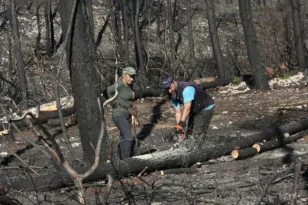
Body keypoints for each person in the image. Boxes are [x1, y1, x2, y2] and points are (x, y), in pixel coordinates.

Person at [162, 76, 215, 144]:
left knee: (198, 134)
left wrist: (181, 124)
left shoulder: (186, 89)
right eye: (167, 89)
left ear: (174, 82)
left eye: (170, 87)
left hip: (206, 107)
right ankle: (188, 147)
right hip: (194, 109)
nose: (169, 91)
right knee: (189, 133)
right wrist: (179, 129)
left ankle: (198, 149)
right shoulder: (173, 94)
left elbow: (187, 108)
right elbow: (177, 112)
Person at [107, 67, 137, 160]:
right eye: (130, 76)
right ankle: (126, 161)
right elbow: (108, 90)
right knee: (128, 138)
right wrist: (113, 103)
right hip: (119, 114)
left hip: (127, 114)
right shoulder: (120, 83)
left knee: (124, 137)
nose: (132, 79)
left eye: (133, 76)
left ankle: (120, 160)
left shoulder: (128, 85)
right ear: (124, 76)